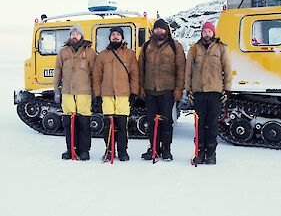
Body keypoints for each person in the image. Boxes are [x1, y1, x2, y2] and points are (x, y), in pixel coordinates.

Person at [185, 21, 232, 165]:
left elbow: (228, 70)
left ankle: (211, 153)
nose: (207, 33)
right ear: (201, 33)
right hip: (198, 93)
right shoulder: (194, 49)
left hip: (215, 93)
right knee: (199, 125)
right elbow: (188, 71)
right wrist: (188, 90)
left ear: (214, 32)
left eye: (209, 31)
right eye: (204, 31)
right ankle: (199, 153)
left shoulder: (221, 48)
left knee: (212, 125)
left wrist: (227, 90)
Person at [139, 19, 186, 161]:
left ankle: (166, 150)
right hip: (150, 91)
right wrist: (141, 87)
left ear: (166, 31)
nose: (159, 31)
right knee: (152, 122)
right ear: (153, 31)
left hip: (167, 91)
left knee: (166, 122)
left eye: (162, 29)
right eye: (157, 29)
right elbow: (141, 67)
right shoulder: (146, 46)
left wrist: (179, 89)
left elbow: (181, 68)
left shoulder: (174, 46)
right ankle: (153, 149)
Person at [92, 27, 139, 161]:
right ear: (110, 37)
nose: (115, 37)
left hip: (123, 95)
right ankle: (109, 150)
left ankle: (122, 151)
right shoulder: (102, 55)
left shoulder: (129, 54)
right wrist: (98, 95)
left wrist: (134, 93)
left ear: (122, 37)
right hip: (107, 95)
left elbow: (135, 75)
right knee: (108, 125)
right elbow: (96, 76)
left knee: (122, 125)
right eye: (113, 34)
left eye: (118, 34)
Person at [53, 24, 96, 160]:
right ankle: (71, 149)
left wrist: (95, 93)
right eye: (72, 34)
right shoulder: (63, 52)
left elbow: (95, 74)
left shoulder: (90, 52)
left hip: (84, 92)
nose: (74, 36)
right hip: (67, 92)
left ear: (81, 36)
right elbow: (57, 71)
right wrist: (56, 91)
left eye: (77, 34)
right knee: (68, 122)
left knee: (83, 123)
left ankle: (84, 151)